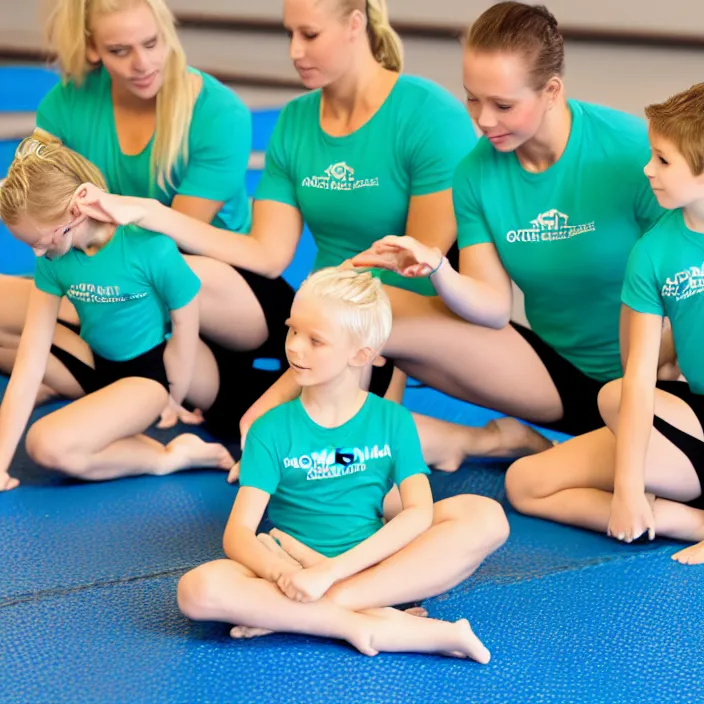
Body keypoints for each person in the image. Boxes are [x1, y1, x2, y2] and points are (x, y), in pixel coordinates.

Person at [80, 0, 554, 468]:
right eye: (289, 34)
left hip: (386, 325)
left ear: (354, 24)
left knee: (309, 459)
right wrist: (152, 214)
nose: (294, 51)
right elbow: (265, 254)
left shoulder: (429, 114)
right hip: (317, 324)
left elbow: (414, 272)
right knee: (275, 439)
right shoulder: (296, 120)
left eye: (309, 35)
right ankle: (468, 440)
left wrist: (368, 378)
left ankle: (478, 440)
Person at [352, 1, 674, 451]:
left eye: (503, 104)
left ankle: (502, 444)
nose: (483, 120)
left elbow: (690, 279)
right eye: (472, 97)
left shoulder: (633, 153)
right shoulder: (473, 174)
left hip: (653, 384)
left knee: (534, 484)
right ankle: (344, 454)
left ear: (551, 90)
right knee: (365, 310)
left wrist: (656, 369)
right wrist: (437, 268)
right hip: (553, 376)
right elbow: (492, 308)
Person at [176, 267, 508, 660]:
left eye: (316, 340)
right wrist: (285, 576)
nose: (296, 347)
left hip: (376, 567)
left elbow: (418, 512)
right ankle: (366, 624)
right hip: (293, 567)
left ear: (361, 354)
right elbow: (238, 536)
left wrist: (329, 574)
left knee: (487, 516)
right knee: (198, 590)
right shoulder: (271, 429)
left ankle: (312, 611)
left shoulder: (391, 420)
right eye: (293, 330)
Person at [0, 0, 294, 440]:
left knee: (139, 275)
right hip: (122, 287)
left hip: (221, 289)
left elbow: (170, 245)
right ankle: (106, 377)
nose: (143, 63)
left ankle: (95, 368)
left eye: (152, 43)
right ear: (94, 48)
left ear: (166, 33)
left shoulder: (217, 112)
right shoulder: (66, 103)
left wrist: (73, 294)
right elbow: (32, 190)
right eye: (120, 51)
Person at [505, 83, 704, 565]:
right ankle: (686, 519)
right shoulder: (654, 251)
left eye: (662, 160)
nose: (647, 170)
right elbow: (637, 372)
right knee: (526, 482)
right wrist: (628, 490)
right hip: (695, 420)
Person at [0, 137, 234, 492]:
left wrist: (174, 396)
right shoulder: (53, 262)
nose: (36, 252)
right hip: (92, 361)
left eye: (41, 239)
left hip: (147, 377)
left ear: (74, 213)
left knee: (46, 444)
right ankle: (158, 453)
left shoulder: (149, 247)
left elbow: (186, 325)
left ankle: (170, 456)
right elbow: (30, 364)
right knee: (21, 364)